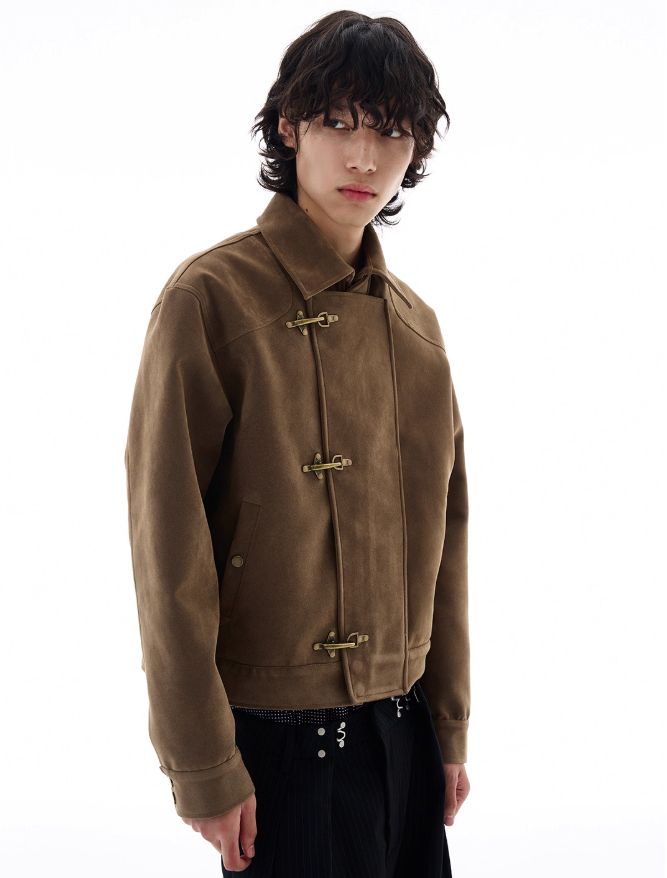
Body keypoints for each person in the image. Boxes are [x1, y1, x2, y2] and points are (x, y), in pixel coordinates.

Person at [124, 9, 471, 877]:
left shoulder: (416, 328)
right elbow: (168, 549)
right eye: (339, 122)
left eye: (391, 131)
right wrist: (202, 763)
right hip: (277, 743)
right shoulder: (210, 299)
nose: (365, 158)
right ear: (288, 125)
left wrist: (449, 728)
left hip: (405, 733)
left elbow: (447, 543)